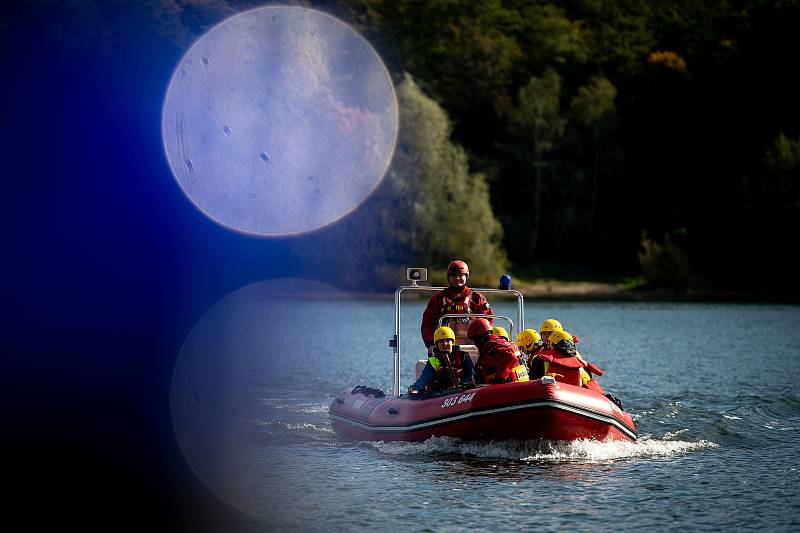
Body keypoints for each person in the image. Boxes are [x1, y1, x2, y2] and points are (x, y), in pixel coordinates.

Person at [420, 260, 492, 352]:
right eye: (453, 275)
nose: (457, 278)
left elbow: (488, 323)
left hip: (473, 348)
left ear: (466, 276)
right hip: (445, 348)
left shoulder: (477, 298)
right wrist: (430, 344)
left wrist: (484, 345)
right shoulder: (438, 299)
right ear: (448, 277)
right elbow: (427, 324)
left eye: (460, 275)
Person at [529, 329, 606, 394]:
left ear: (552, 343)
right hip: (574, 399)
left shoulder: (540, 359)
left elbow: (531, 382)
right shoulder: (580, 363)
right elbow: (587, 383)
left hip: (547, 396)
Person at [408, 326, 475, 396]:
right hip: (441, 395)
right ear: (436, 344)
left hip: (461, 392)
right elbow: (424, 377)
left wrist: (465, 384)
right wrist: (416, 388)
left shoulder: (463, 356)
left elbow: (471, 375)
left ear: (452, 342)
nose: (445, 344)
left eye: (447, 340)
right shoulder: (434, 360)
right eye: (441, 341)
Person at [467, 318, 524, 384]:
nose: (474, 343)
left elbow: (511, 358)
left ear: (479, 337)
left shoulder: (493, 347)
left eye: (474, 340)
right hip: (515, 386)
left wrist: (499, 380)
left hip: (507, 388)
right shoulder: (498, 343)